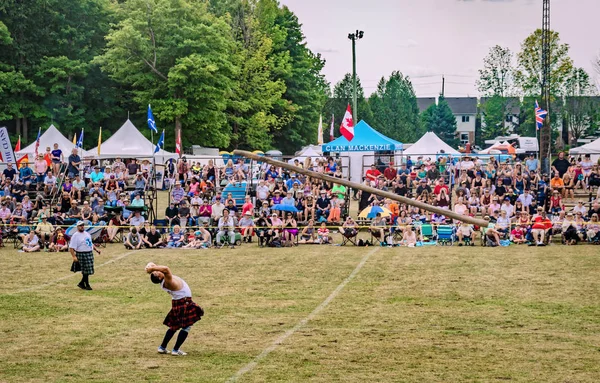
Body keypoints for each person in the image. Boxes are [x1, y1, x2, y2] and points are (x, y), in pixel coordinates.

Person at [145, 263, 204, 356]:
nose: (158, 271)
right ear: (160, 278)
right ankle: (176, 350)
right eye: (157, 272)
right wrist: (151, 269)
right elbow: (166, 268)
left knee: (173, 327)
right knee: (186, 326)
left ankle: (162, 347)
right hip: (184, 302)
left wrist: (150, 267)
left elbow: (157, 267)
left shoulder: (165, 278)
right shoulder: (168, 281)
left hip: (178, 303)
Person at [69, 221, 101, 290]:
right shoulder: (75, 235)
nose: (82, 226)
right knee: (85, 270)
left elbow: (90, 243)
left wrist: (96, 249)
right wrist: (74, 256)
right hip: (81, 253)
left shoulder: (87, 234)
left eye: (83, 225)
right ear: (77, 227)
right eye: (80, 225)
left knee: (88, 269)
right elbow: (71, 247)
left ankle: (81, 283)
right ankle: (87, 284)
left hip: (89, 253)